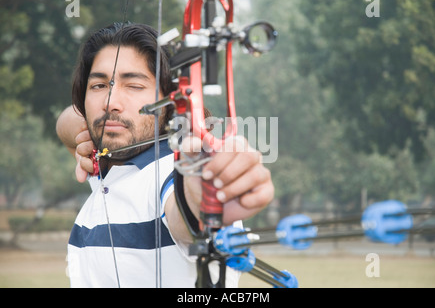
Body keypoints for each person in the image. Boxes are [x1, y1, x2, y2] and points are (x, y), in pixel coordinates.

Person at [56, 22, 274, 288]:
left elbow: (182, 212)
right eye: (99, 85)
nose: (110, 102)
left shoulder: (171, 171)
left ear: (172, 102)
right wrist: (84, 135)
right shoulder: (110, 166)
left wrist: (206, 198)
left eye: (134, 85)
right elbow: (66, 122)